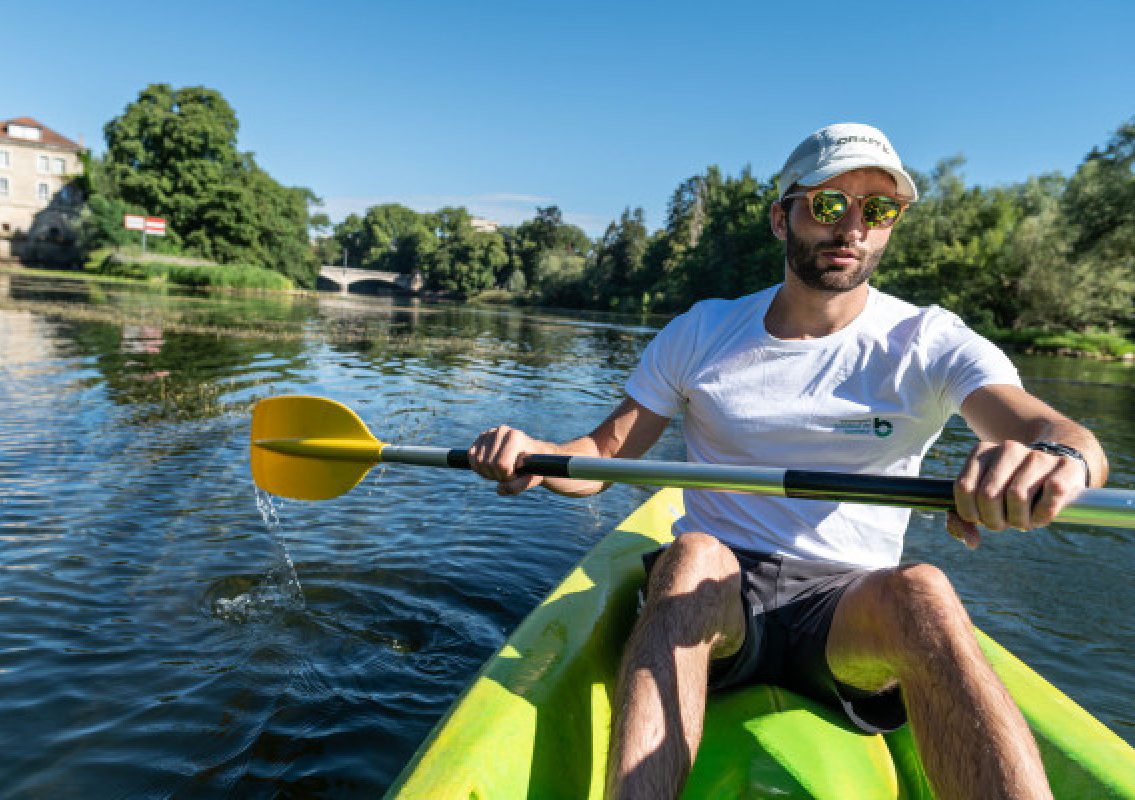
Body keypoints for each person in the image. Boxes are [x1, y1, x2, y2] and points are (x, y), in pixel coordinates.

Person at [466, 122, 1108, 800]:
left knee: (925, 590)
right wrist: (537, 456)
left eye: (878, 209)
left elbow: (1063, 436)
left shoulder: (928, 340)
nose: (853, 227)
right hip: (718, 594)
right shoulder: (703, 330)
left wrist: (1056, 459)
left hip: (849, 610)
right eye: (829, 204)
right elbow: (603, 453)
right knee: (691, 557)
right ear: (782, 218)